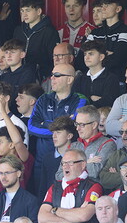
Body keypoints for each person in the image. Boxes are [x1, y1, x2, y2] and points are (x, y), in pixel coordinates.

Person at [27, 63, 88, 194]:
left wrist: (45, 123)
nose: (52, 78)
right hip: (42, 160)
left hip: (68, 160)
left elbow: (72, 127)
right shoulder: (43, 98)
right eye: (52, 75)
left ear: (69, 79)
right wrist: (60, 130)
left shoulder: (80, 99)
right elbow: (31, 126)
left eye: (57, 75)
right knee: (42, 198)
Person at [38, 149, 103, 223]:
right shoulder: (54, 188)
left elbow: (84, 215)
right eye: (63, 163)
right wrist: (75, 216)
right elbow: (42, 218)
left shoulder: (93, 186)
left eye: (70, 163)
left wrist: (55, 211)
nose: (65, 167)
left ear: (83, 165)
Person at [12, 0, 59, 81]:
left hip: (41, 79)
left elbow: (53, 59)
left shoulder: (49, 32)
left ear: (39, 11)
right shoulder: (18, 30)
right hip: (18, 76)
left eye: (28, 10)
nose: (24, 14)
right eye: (22, 11)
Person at [71, 39, 125, 109]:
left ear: (101, 57)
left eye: (91, 54)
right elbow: (74, 101)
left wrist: (86, 99)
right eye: (85, 54)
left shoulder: (111, 78)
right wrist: (91, 98)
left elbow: (109, 103)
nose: (86, 57)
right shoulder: (80, 79)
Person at [99, 119, 127, 192]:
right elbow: (103, 179)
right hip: (119, 195)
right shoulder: (117, 154)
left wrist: (118, 174)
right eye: (121, 132)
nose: (123, 135)